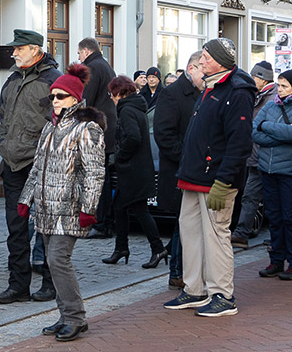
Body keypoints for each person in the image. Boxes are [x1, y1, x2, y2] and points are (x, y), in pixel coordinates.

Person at [164, 38, 254, 318]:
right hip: (193, 178)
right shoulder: (211, 86)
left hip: (215, 180)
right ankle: (194, 289)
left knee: (216, 237)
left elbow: (239, 144)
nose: (200, 61)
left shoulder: (236, 90)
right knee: (190, 235)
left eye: (205, 56)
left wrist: (225, 181)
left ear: (218, 60)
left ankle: (223, 295)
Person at [18, 63, 105, 342]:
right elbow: (36, 167)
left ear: (76, 99)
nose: (55, 101)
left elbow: (95, 172)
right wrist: (25, 199)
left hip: (70, 207)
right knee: (50, 262)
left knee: (58, 259)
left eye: (61, 96)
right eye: (53, 96)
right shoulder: (49, 127)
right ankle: (65, 315)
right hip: (45, 207)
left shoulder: (87, 129)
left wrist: (88, 209)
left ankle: (76, 318)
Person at [0, 29, 61, 305]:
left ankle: (50, 283)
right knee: (16, 228)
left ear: (34, 49)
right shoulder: (12, 80)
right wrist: (1, 144)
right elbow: (3, 116)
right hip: (12, 163)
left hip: (40, 164)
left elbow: (64, 123)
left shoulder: (53, 80)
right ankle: (17, 285)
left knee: (46, 226)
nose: (14, 53)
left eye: (19, 49)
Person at [253, 70, 292, 281]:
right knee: (274, 217)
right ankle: (277, 260)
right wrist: (279, 133)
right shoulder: (270, 105)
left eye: (284, 86)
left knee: (290, 218)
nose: (279, 90)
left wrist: (268, 128)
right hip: (268, 169)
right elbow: (254, 131)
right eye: (278, 85)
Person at [102, 76, 165, 268]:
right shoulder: (135, 107)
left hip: (133, 170)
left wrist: (119, 155)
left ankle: (158, 249)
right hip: (133, 169)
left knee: (140, 210)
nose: (111, 98)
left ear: (119, 93)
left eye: (112, 94)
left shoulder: (128, 110)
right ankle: (121, 248)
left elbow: (133, 138)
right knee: (119, 208)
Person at [154, 51, 204, 290]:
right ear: (192, 68)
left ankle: (183, 270)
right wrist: (187, 158)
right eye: (204, 72)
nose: (207, 77)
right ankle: (177, 272)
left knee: (188, 224)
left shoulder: (202, 93)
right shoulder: (172, 95)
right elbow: (164, 136)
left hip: (194, 169)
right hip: (179, 171)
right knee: (182, 223)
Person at [230, 61, 276, 247]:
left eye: (254, 76)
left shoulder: (272, 99)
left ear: (262, 79)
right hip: (255, 156)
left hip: (268, 157)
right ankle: (242, 233)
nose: (251, 79)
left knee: (273, 198)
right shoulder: (257, 95)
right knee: (250, 196)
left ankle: (278, 235)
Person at [77, 37, 117, 240]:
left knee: (98, 179)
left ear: (85, 51)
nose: (78, 58)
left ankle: (100, 223)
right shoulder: (106, 65)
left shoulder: (92, 67)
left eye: (78, 54)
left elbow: (86, 100)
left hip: (97, 130)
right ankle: (105, 222)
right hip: (108, 129)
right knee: (104, 177)